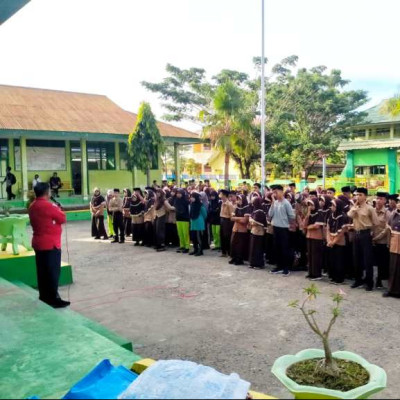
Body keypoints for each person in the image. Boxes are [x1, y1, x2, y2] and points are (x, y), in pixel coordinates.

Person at [28, 182, 69, 308]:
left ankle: (44, 296)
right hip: (51, 244)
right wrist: (58, 209)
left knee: (42, 272)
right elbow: (62, 219)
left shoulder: (32, 206)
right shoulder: (48, 205)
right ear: (47, 192)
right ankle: (53, 299)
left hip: (38, 243)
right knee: (52, 272)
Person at [348, 187, 380, 291]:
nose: (357, 197)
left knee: (367, 260)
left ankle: (369, 282)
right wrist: (355, 207)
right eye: (356, 195)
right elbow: (349, 215)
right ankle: (358, 280)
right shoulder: (354, 207)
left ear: (365, 196)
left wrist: (371, 232)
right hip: (356, 234)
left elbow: (376, 223)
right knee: (356, 258)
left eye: (360, 195)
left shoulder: (370, 208)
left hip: (365, 234)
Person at [269, 185, 295, 276]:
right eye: (273, 192)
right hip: (275, 228)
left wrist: (288, 224)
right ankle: (278, 266)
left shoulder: (286, 203)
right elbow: (270, 214)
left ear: (281, 191)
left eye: (276, 192)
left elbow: (291, 216)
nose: (274, 194)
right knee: (277, 248)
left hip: (284, 229)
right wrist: (272, 202)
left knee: (285, 249)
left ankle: (286, 268)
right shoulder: (275, 203)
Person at [326, 199, 348, 284]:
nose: (332, 207)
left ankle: (339, 278)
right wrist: (328, 240)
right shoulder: (331, 216)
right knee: (332, 260)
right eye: (331, 205)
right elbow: (327, 229)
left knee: (339, 261)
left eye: (333, 205)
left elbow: (341, 232)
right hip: (331, 242)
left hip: (339, 242)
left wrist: (333, 242)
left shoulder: (343, 217)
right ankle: (333, 276)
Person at [373, 192, 391, 289]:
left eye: (381, 199)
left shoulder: (387, 213)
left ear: (385, 201)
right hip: (372, 241)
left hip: (382, 242)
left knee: (381, 263)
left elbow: (387, 228)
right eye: (377, 198)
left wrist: (377, 238)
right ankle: (373, 280)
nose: (378, 200)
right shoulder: (372, 211)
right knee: (372, 262)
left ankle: (379, 281)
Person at [304, 198, 324, 280]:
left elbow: (317, 226)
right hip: (309, 236)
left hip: (317, 237)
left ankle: (317, 274)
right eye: (309, 205)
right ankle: (311, 273)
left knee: (316, 256)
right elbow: (304, 224)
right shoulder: (310, 213)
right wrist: (308, 213)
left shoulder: (319, 213)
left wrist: (308, 227)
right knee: (310, 255)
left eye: (311, 204)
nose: (310, 206)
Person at [384, 203, 400, 298]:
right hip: (394, 244)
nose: (398, 204)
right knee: (393, 267)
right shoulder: (393, 215)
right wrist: (389, 242)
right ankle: (391, 290)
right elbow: (389, 229)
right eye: (398, 202)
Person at [229, 194, 251, 266]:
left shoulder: (247, 208)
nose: (238, 201)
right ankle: (234, 257)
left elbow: (245, 220)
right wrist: (239, 218)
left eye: (240, 199)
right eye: (238, 199)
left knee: (240, 245)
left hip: (242, 229)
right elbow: (231, 218)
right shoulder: (237, 208)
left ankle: (239, 259)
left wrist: (236, 218)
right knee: (233, 244)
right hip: (235, 228)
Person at [249, 197, 267, 269]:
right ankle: (253, 263)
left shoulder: (260, 212)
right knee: (253, 248)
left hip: (259, 232)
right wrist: (251, 220)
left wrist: (251, 220)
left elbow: (255, 222)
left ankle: (258, 264)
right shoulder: (255, 210)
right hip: (254, 231)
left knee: (258, 249)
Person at [189, 192, 208, 256]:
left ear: (196, 198)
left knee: (199, 238)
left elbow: (205, 214)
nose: (191, 198)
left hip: (199, 223)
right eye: (191, 197)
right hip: (193, 223)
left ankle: (200, 250)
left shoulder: (200, 205)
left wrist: (200, 218)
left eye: (193, 197)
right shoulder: (192, 204)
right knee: (194, 238)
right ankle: (195, 249)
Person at [219, 189, 235, 257]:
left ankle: (229, 252)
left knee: (227, 237)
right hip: (222, 220)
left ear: (225, 195)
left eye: (221, 194)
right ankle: (223, 252)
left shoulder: (229, 204)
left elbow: (232, 215)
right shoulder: (222, 203)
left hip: (227, 221)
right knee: (222, 236)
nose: (220, 195)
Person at [174, 189, 191, 254]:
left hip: (185, 219)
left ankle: (187, 247)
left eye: (180, 193)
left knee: (185, 233)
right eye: (177, 193)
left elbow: (188, 210)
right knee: (180, 233)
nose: (178, 194)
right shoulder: (176, 200)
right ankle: (182, 245)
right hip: (178, 218)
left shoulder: (186, 201)